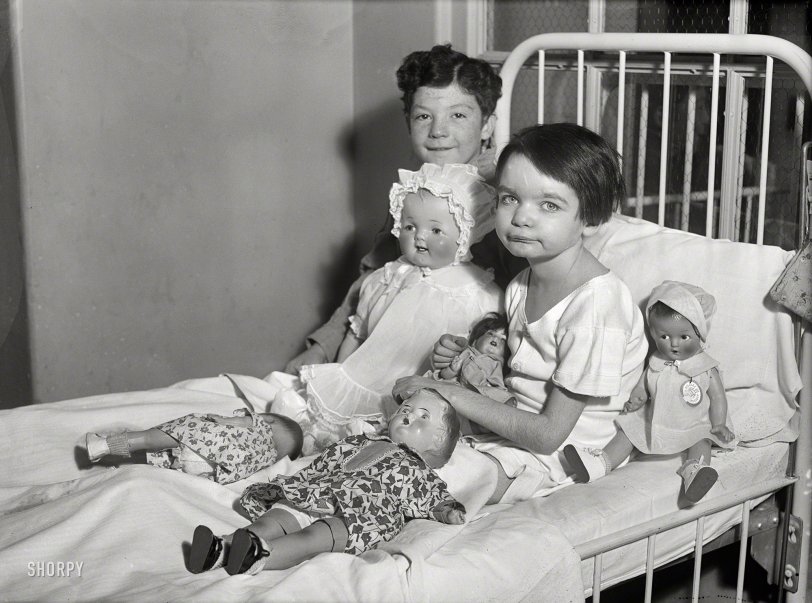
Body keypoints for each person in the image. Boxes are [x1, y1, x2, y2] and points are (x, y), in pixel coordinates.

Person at [394, 123, 649, 504]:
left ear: (591, 217)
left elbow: (548, 435)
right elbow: (516, 376)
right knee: (388, 436)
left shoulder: (596, 307)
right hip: (507, 421)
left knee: (414, 480)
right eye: (510, 198)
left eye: (549, 205)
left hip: (556, 455)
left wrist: (449, 393)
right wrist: (462, 361)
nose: (521, 218)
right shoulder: (521, 285)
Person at [284, 44, 523, 375]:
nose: (438, 131)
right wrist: (322, 347)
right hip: (388, 350)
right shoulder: (415, 189)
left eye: (458, 115)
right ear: (409, 122)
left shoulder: (504, 195)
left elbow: (529, 298)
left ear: (486, 126)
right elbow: (376, 277)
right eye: (424, 116)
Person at [282, 162, 502, 454]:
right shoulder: (384, 278)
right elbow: (357, 332)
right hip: (367, 374)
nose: (419, 236)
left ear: (464, 236)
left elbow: (488, 348)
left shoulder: (477, 291)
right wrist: (340, 370)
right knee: (319, 418)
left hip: (419, 396)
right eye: (410, 226)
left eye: (436, 229)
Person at [187, 388, 465, 575]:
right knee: (273, 520)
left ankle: (258, 557)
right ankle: (220, 547)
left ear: (437, 440)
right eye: (406, 407)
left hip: (359, 514)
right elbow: (324, 462)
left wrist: (448, 509)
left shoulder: (415, 467)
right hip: (318, 492)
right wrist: (301, 482)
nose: (409, 414)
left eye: (422, 417)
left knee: (311, 538)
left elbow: (433, 495)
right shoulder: (361, 441)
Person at [564, 281, 737, 503]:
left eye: (684, 337)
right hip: (654, 421)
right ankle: (601, 463)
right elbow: (644, 385)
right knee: (628, 432)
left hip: (695, 423)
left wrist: (719, 423)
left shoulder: (705, 366)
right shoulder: (656, 360)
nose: (673, 344)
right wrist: (637, 398)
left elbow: (718, 398)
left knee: (702, 440)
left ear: (701, 334)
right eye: (664, 337)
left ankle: (695, 472)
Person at [84, 408, 303, 485]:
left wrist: (221, 420)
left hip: (202, 441)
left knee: (148, 440)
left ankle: (101, 446)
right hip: (204, 467)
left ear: (271, 421)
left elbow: (234, 423)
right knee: (158, 458)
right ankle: (123, 463)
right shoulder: (265, 458)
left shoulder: (261, 426)